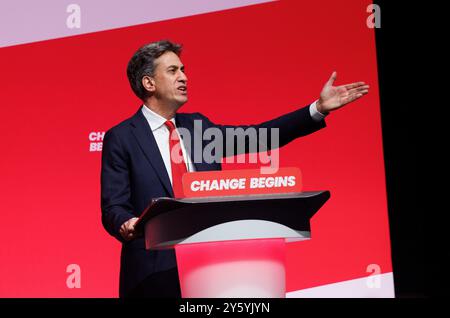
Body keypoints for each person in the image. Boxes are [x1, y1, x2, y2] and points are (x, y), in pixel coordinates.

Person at [100, 40, 369, 297]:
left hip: (214, 269)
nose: (184, 77)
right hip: (154, 274)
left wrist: (317, 109)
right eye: (173, 70)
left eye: (183, 70)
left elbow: (260, 136)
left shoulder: (199, 128)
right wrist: (125, 223)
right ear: (148, 83)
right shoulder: (122, 137)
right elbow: (114, 206)